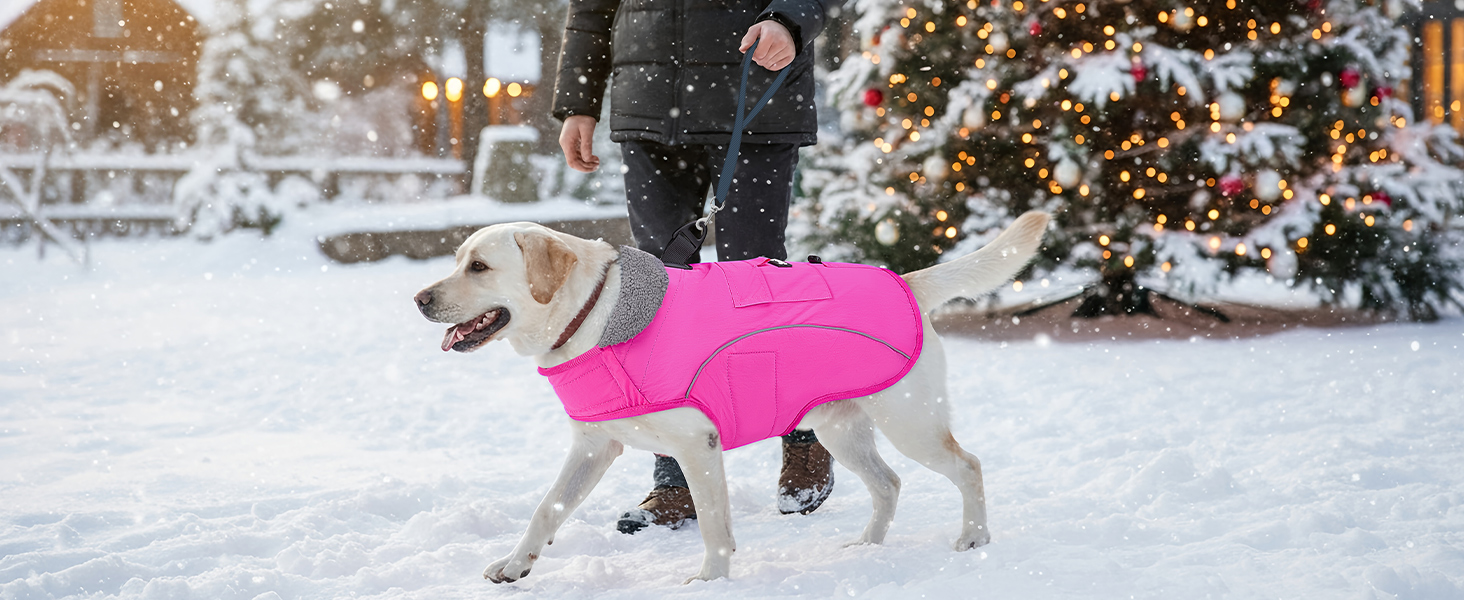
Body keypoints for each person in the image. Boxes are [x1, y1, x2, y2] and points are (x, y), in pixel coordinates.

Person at [551, 0, 836, 533]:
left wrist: (790, 20)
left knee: (757, 288)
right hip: (647, 112)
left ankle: (804, 431)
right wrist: (578, 103)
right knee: (656, 300)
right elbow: (591, 10)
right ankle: (676, 477)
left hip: (754, 101)